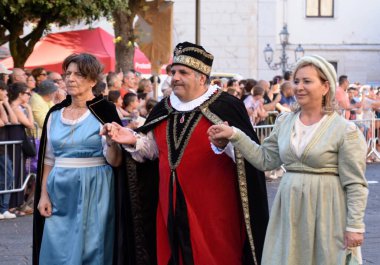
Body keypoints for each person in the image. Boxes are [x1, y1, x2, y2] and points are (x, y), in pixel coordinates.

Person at [103, 41, 269, 265]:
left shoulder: (226, 106)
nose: (175, 77)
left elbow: (249, 156)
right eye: (173, 72)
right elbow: (153, 151)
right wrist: (131, 139)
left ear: (202, 78)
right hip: (168, 204)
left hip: (213, 209)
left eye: (183, 72)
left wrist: (225, 143)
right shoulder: (164, 108)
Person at [208, 55, 369, 265]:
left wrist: (354, 226)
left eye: (307, 81)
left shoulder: (344, 130)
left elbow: (355, 183)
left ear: (325, 86)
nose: (299, 87)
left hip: (328, 211)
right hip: (289, 208)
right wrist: (234, 135)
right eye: (296, 81)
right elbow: (265, 160)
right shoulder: (284, 122)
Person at [32, 53, 128, 265]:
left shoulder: (106, 111)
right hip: (60, 190)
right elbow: (48, 159)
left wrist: (112, 140)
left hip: (96, 189)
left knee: (92, 250)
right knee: (56, 247)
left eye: (78, 74)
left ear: (93, 80)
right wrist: (43, 196)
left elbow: (116, 162)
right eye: (68, 74)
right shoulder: (55, 114)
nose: (70, 79)